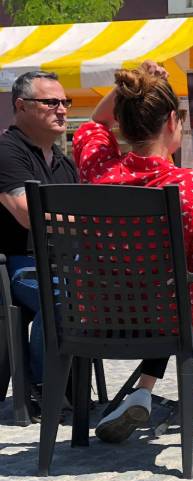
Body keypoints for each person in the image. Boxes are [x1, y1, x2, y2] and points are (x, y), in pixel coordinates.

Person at [73, 61, 193, 443]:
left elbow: (93, 123)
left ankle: (144, 389)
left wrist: (129, 88)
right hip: (165, 318)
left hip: (95, 315)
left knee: (167, 289)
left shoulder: (98, 170)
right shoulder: (187, 183)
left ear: (123, 124)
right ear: (173, 121)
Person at [0, 71, 78, 411]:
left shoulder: (64, 163)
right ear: (21, 106)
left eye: (65, 102)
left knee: (111, 291)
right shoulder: (7, 151)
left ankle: (89, 386)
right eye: (50, 102)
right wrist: (88, 223)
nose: (62, 109)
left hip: (66, 264)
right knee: (62, 296)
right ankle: (45, 386)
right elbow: (27, 214)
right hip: (19, 266)